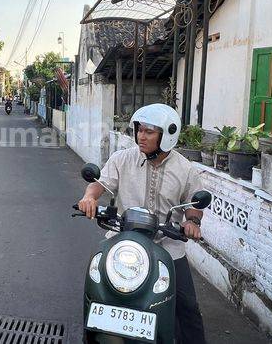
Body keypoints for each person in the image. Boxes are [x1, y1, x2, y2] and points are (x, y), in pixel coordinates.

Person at [77, 103, 207, 344]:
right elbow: (101, 184)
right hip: (123, 242)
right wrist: (89, 197)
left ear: (166, 135)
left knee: (187, 306)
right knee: (97, 288)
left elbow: (193, 205)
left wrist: (191, 222)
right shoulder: (122, 159)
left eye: (149, 131)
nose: (141, 136)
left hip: (167, 248)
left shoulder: (185, 170)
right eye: (139, 130)